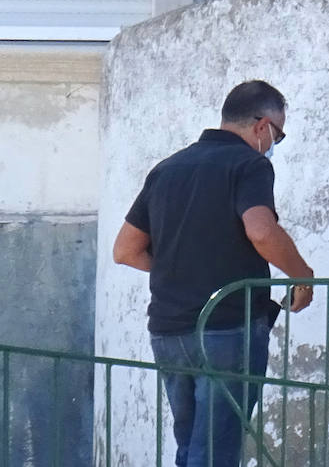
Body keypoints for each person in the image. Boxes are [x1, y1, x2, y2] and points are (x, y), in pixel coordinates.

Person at [112, 80, 315, 467]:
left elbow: (125, 250)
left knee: (190, 448)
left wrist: (181, 270)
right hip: (228, 329)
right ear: (262, 127)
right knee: (216, 452)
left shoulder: (167, 169)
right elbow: (261, 230)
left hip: (169, 331)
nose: (275, 144)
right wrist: (302, 275)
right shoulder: (250, 165)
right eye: (279, 135)